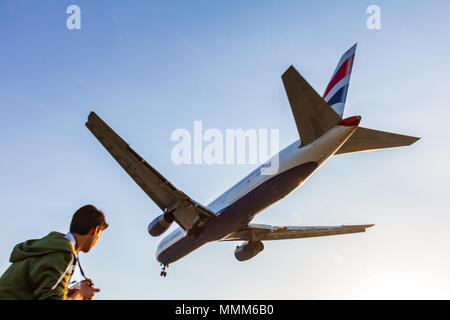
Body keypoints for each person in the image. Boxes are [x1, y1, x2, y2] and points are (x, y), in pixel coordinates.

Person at [0, 204, 108, 300]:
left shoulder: (50, 246)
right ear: (95, 230)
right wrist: (81, 295)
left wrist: (69, 292)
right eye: (99, 236)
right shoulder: (64, 253)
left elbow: (38, 289)